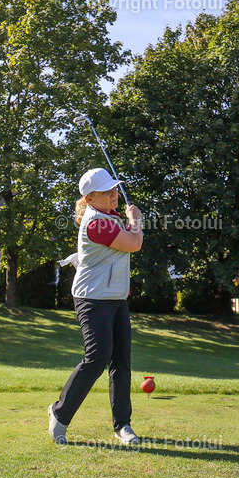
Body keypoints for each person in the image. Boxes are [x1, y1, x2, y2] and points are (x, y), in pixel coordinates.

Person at [48, 168, 144, 446]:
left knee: (121, 360)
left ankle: (123, 425)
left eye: (114, 188)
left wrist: (126, 220)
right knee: (98, 357)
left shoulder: (109, 217)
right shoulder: (97, 223)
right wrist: (135, 221)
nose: (114, 194)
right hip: (92, 298)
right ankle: (59, 413)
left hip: (116, 298)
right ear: (90, 199)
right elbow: (134, 244)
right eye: (107, 191)